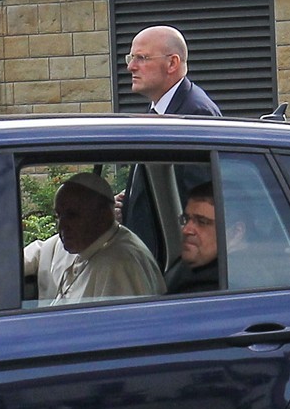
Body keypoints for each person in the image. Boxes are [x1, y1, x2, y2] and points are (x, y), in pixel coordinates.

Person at [119, 26, 221, 265]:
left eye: (141, 58)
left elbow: (199, 202)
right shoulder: (161, 110)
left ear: (172, 63)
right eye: (131, 58)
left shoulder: (193, 115)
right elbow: (163, 185)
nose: (131, 67)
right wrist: (130, 202)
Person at [27, 173, 164, 305]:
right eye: (59, 215)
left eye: (72, 215)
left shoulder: (120, 265)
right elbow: (37, 252)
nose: (61, 225)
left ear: (103, 215)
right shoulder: (78, 240)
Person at [165, 185, 221, 294]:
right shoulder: (185, 268)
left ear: (235, 233)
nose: (186, 230)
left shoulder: (217, 288)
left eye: (202, 222)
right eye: (186, 219)